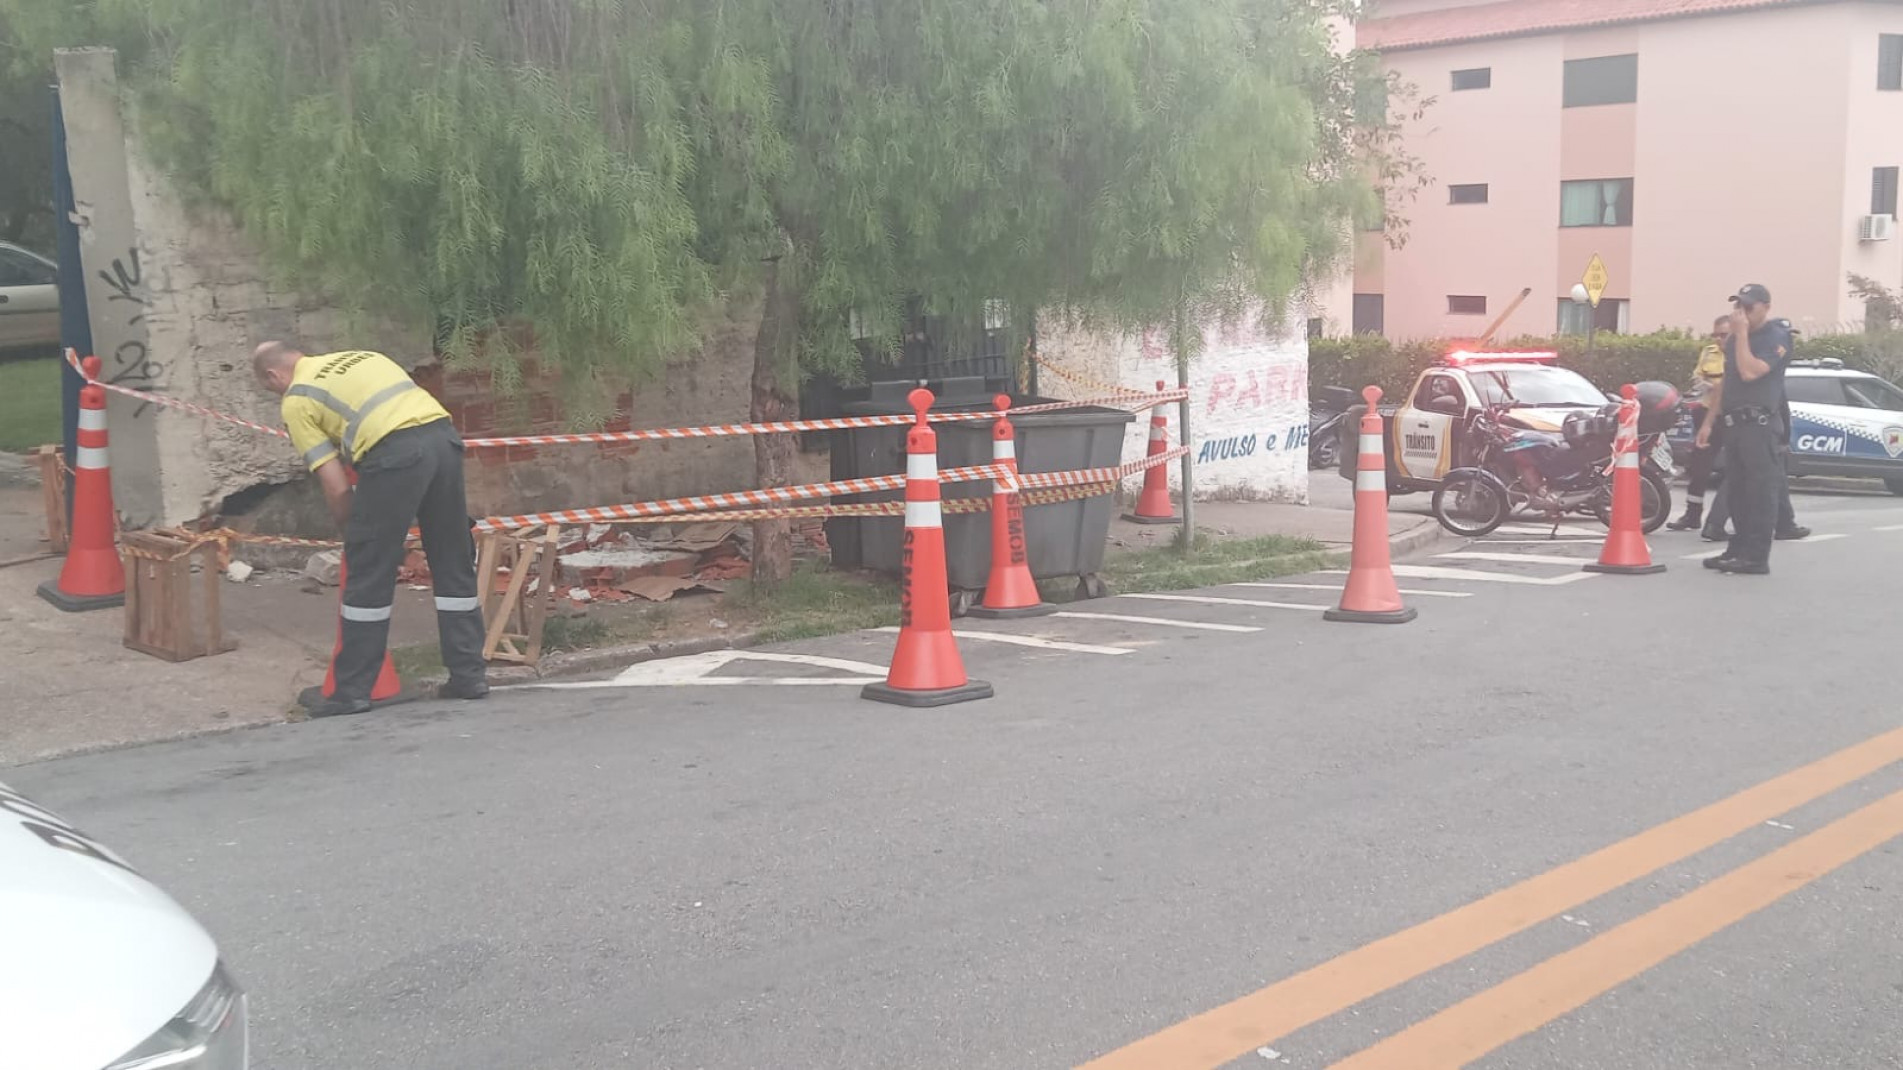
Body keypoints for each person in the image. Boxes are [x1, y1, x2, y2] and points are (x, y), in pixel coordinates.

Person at [253, 342, 489, 716]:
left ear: (273, 375)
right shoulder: (365, 357)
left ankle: (351, 691)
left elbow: (334, 484)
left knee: (368, 570)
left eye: (271, 388)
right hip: (443, 440)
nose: (277, 393)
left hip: (394, 453)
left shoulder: (297, 399)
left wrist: (354, 533)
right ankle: (469, 675)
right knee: (451, 557)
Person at [1695, 285, 1793, 575]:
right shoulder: (1740, 337)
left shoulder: (1776, 336)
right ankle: (1737, 549)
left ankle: (1756, 556)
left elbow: (1750, 371)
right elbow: (1729, 380)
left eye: (1748, 307)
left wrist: (1741, 336)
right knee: (1736, 491)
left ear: (1765, 307)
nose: (1742, 313)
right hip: (1734, 423)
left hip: (1759, 425)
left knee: (1759, 492)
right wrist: (1709, 421)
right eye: (1739, 307)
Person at [1665, 316, 1731, 530]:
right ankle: (1692, 515)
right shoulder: (1708, 352)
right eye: (1716, 335)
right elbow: (1697, 377)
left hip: (1732, 415)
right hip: (1707, 413)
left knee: (1738, 468)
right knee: (1699, 467)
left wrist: (1717, 386)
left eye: (1725, 334)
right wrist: (1706, 385)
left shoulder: (1740, 354)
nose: (1720, 339)